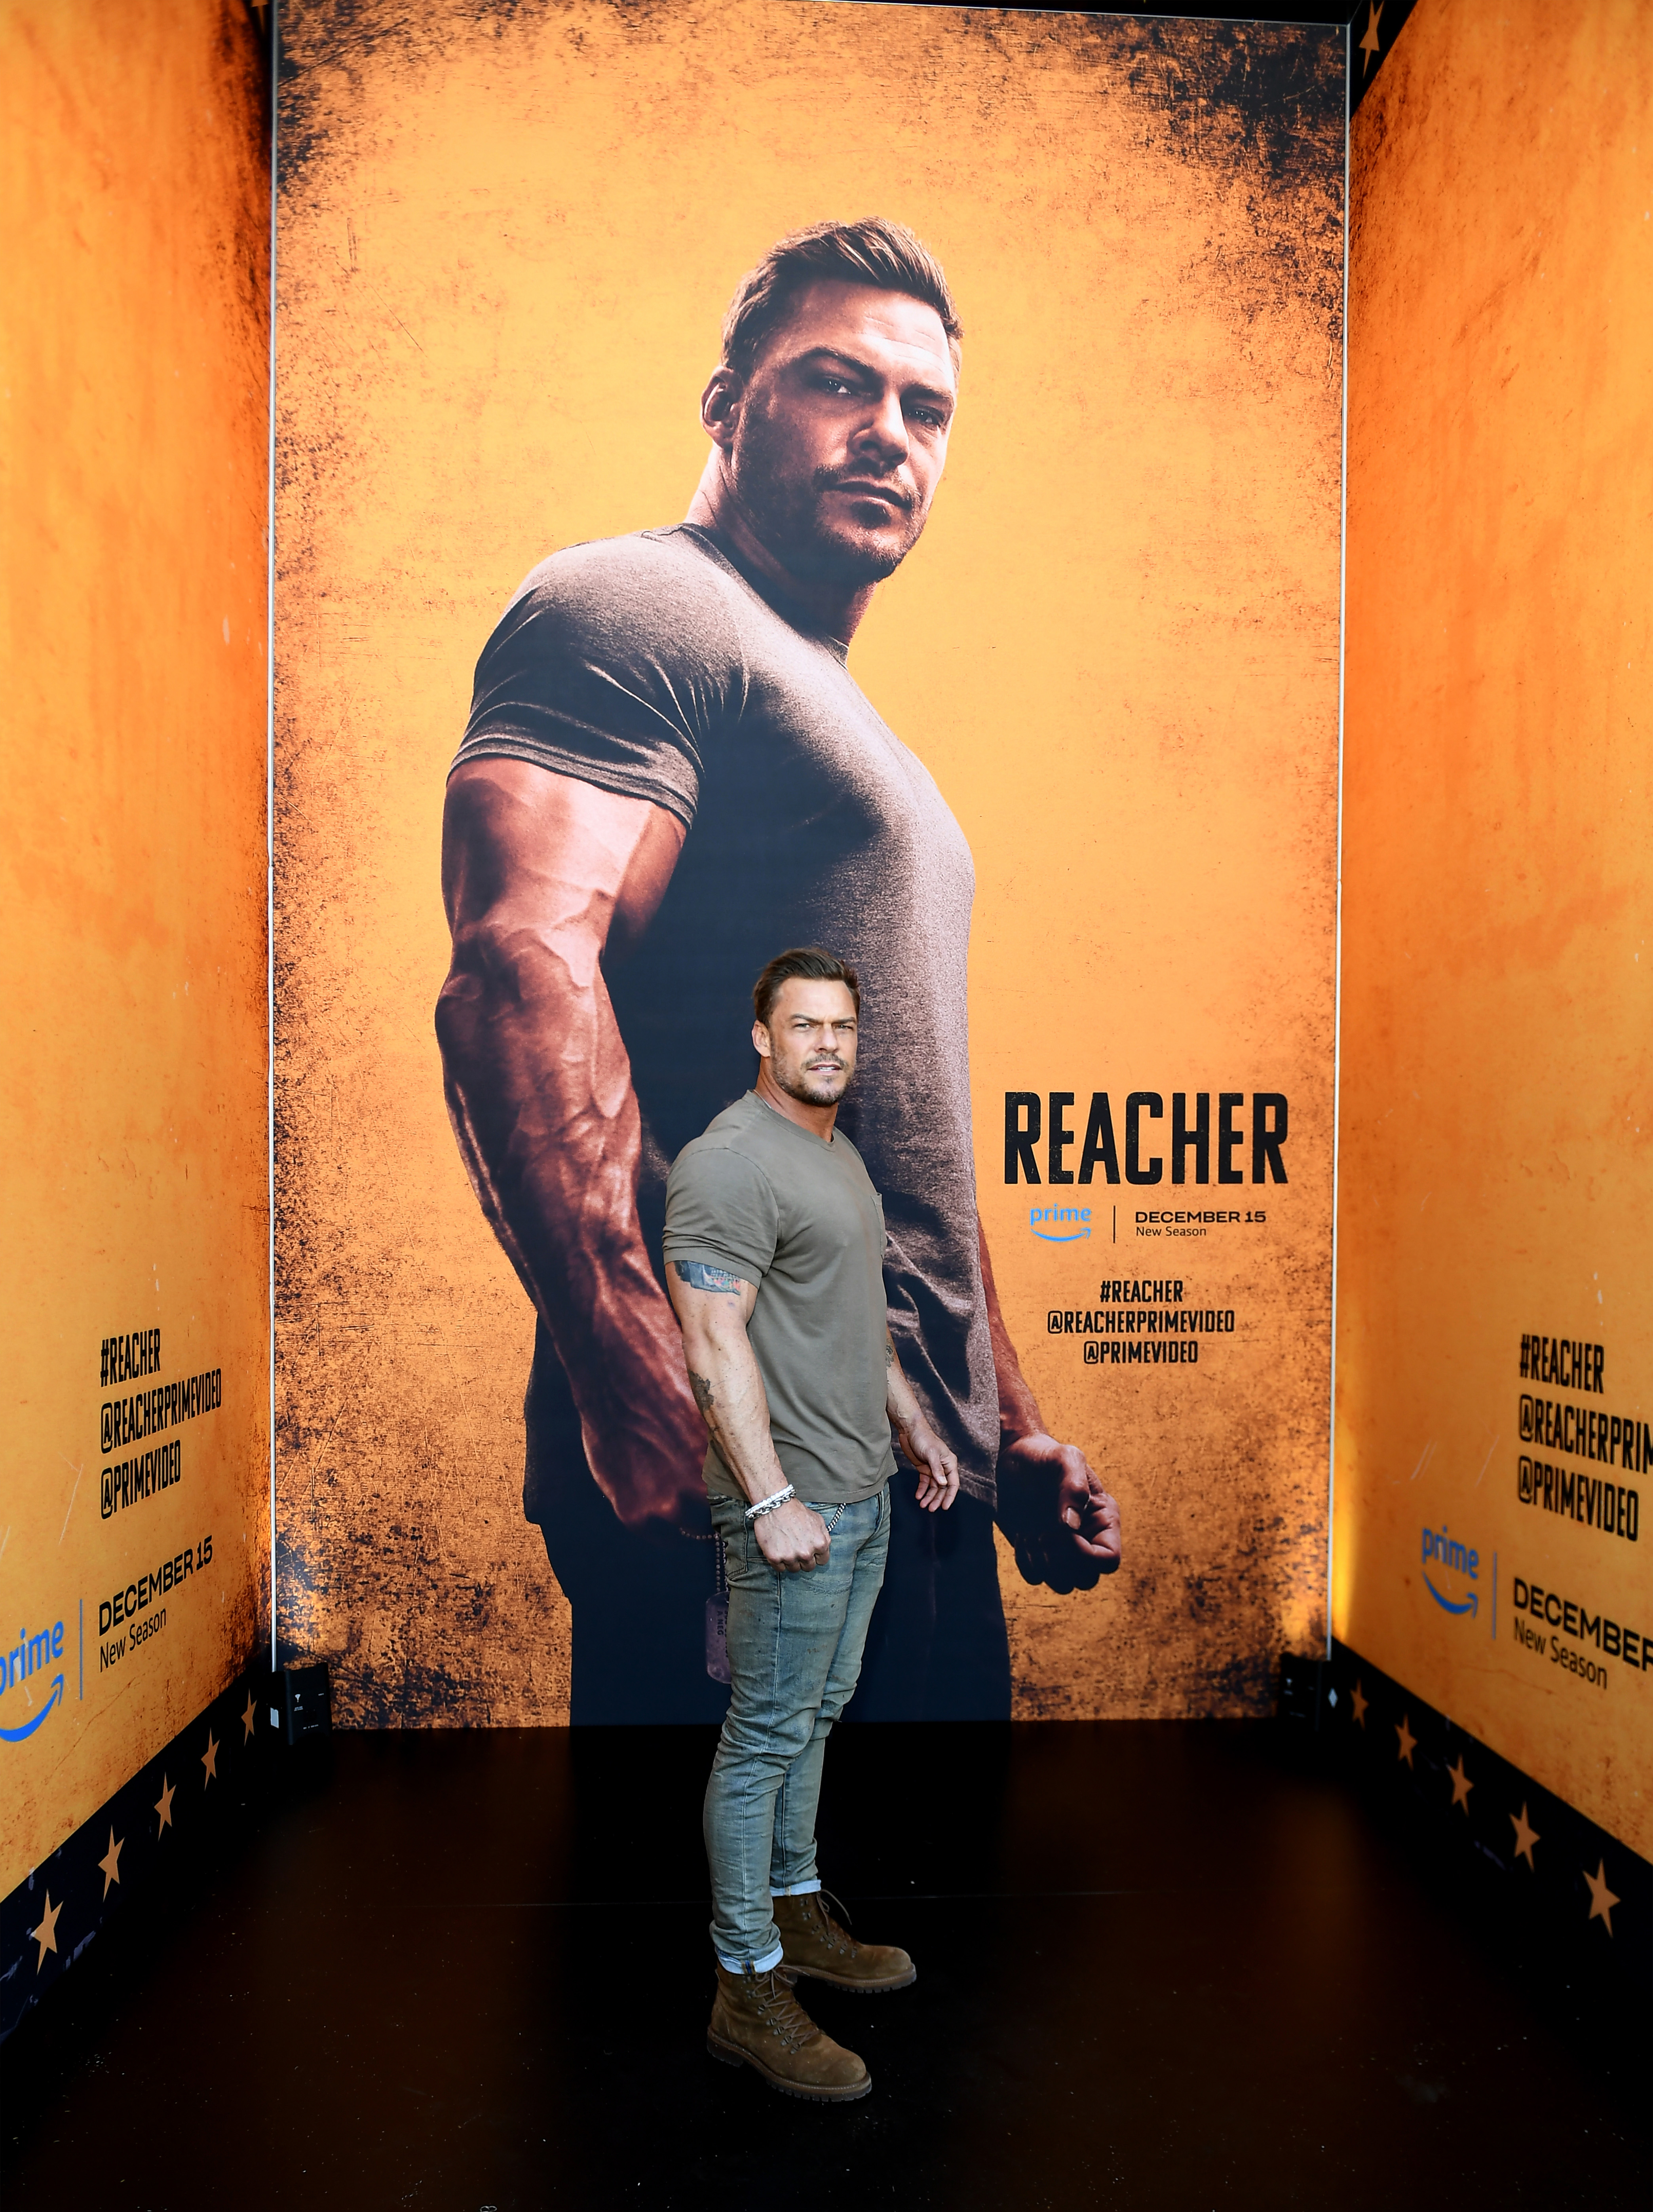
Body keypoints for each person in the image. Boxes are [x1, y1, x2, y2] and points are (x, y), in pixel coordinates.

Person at [436, 216, 1120, 1726]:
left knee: (915, 1942)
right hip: (751, 1464)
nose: (889, 435)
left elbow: (902, 1136)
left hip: (909, 1467)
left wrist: (1003, 1427)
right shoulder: (640, 608)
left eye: (924, 410)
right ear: (728, 403)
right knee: (732, 1947)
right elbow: (519, 975)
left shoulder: (835, 711)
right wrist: (637, 1382)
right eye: (837, 384)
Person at [666, 947, 954, 2100]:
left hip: (861, 1492)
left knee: (817, 1717)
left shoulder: (836, 1161)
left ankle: (794, 1915)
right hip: (793, 1507)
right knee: (766, 1739)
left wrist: (917, 1424)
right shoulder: (730, 1163)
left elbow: (858, 1321)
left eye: (843, 1027)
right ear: (762, 1037)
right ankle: (746, 1987)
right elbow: (711, 1341)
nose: (827, 1044)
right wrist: (772, 1497)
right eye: (805, 1026)